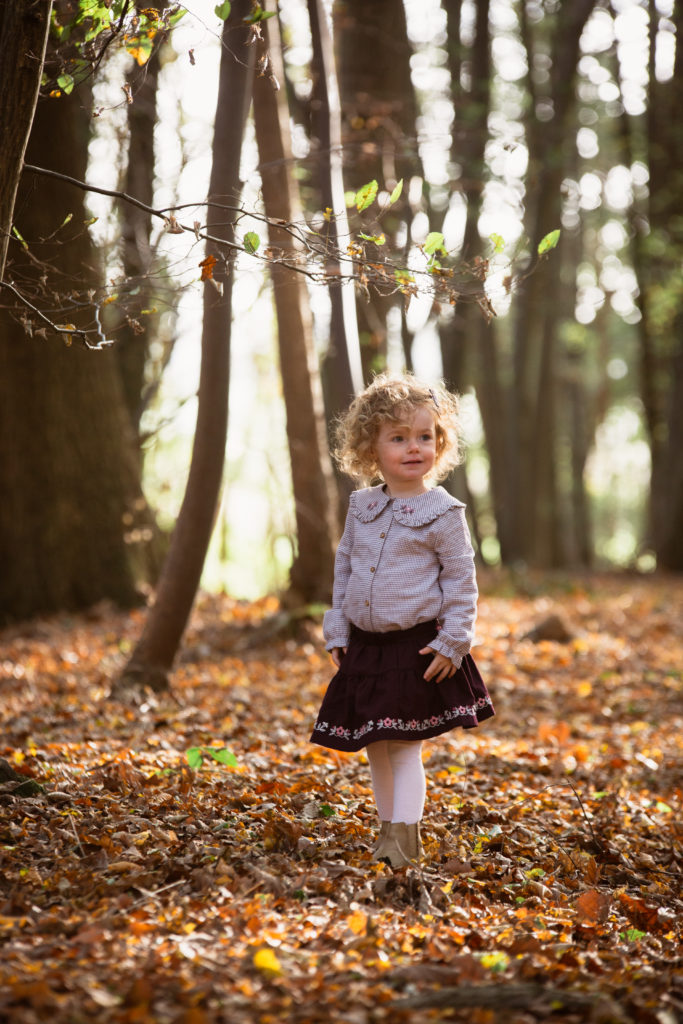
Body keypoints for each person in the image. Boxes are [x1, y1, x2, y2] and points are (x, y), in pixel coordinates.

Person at [310, 373, 494, 867]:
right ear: (372, 448)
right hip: (367, 649)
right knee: (376, 744)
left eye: (424, 436)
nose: (413, 448)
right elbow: (344, 567)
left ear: (440, 442)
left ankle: (404, 845)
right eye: (398, 438)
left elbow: (461, 583)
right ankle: (386, 831)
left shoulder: (444, 512)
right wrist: (338, 629)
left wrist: (453, 643)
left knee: (405, 748)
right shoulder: (361, 506)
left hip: (416, 649)